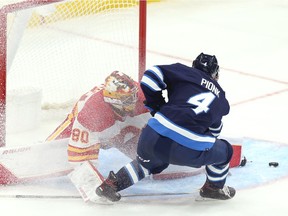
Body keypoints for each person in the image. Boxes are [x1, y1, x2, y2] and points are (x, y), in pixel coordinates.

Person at [95, 53, 236, 202]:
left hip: (151, 135)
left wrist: (157, 106)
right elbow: (215, 132)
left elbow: (150, 77)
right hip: (187, 149)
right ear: (216, 74)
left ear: (193, 66)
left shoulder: (183, 72)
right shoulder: (221, 97)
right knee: (225, 151)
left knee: (147, 164)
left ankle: (111, 185)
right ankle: (213, 188)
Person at [46, 70, 150, 163]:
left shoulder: (144, 97)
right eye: (128, 99)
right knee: (51, 151)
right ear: (113, 100)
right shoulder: (92, 112)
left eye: (134, 96)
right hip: (82, 123)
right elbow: (80, 160)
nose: (134, 101)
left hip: (113, 126)